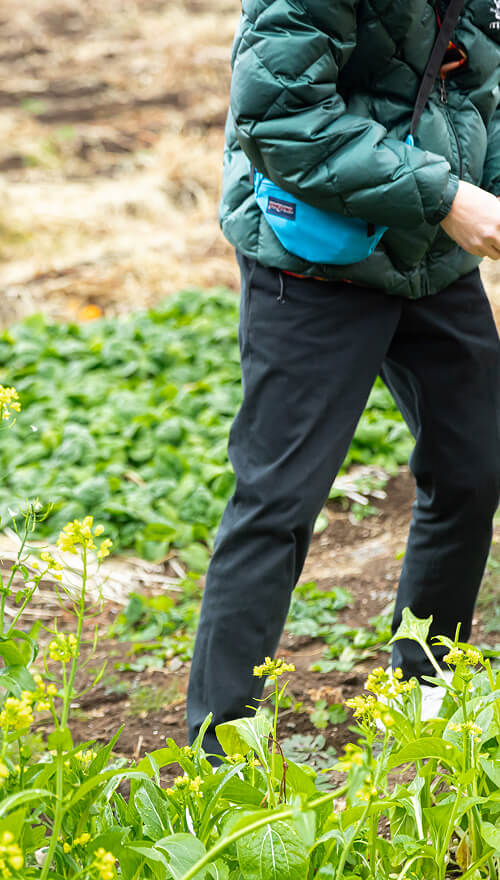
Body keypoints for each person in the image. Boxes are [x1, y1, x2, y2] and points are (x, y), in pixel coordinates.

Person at [188, 0, 500, 757]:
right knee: (279, 499)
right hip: (315, 256)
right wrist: (448, 197)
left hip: (432, 256)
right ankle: (221, 753)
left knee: (474, 465)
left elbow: (480, 89)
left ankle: (425, 686)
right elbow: (280, 117)